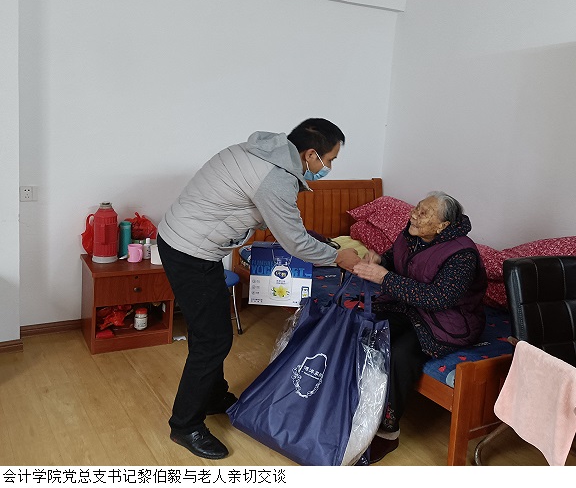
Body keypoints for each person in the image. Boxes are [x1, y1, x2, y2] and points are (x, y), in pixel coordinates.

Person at [157, 118, 362, 459]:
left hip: (187, 240)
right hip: (190, 251)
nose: (328, 167)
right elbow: (294, 241)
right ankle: (184, 425)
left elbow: (282, 223)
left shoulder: (263, 152)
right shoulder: (276, 179)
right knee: (212, 340)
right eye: (330, 160)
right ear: (311, 154)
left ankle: (213, 395)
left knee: (210, 330)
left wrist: (317, 241)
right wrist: (339, 256)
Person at [352, 191, 487, 463]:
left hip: (447, 321)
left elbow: (439, 298)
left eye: (424, 213)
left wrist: (385, 279)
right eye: (417, 208)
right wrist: (380, 262)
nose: (414, 214)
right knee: (363, 330)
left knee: (401, 354)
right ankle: (356, 406)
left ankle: (388, 431)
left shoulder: (463, 254)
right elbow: (394, 258)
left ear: (443, 226)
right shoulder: (411, 234)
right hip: (408, 307)